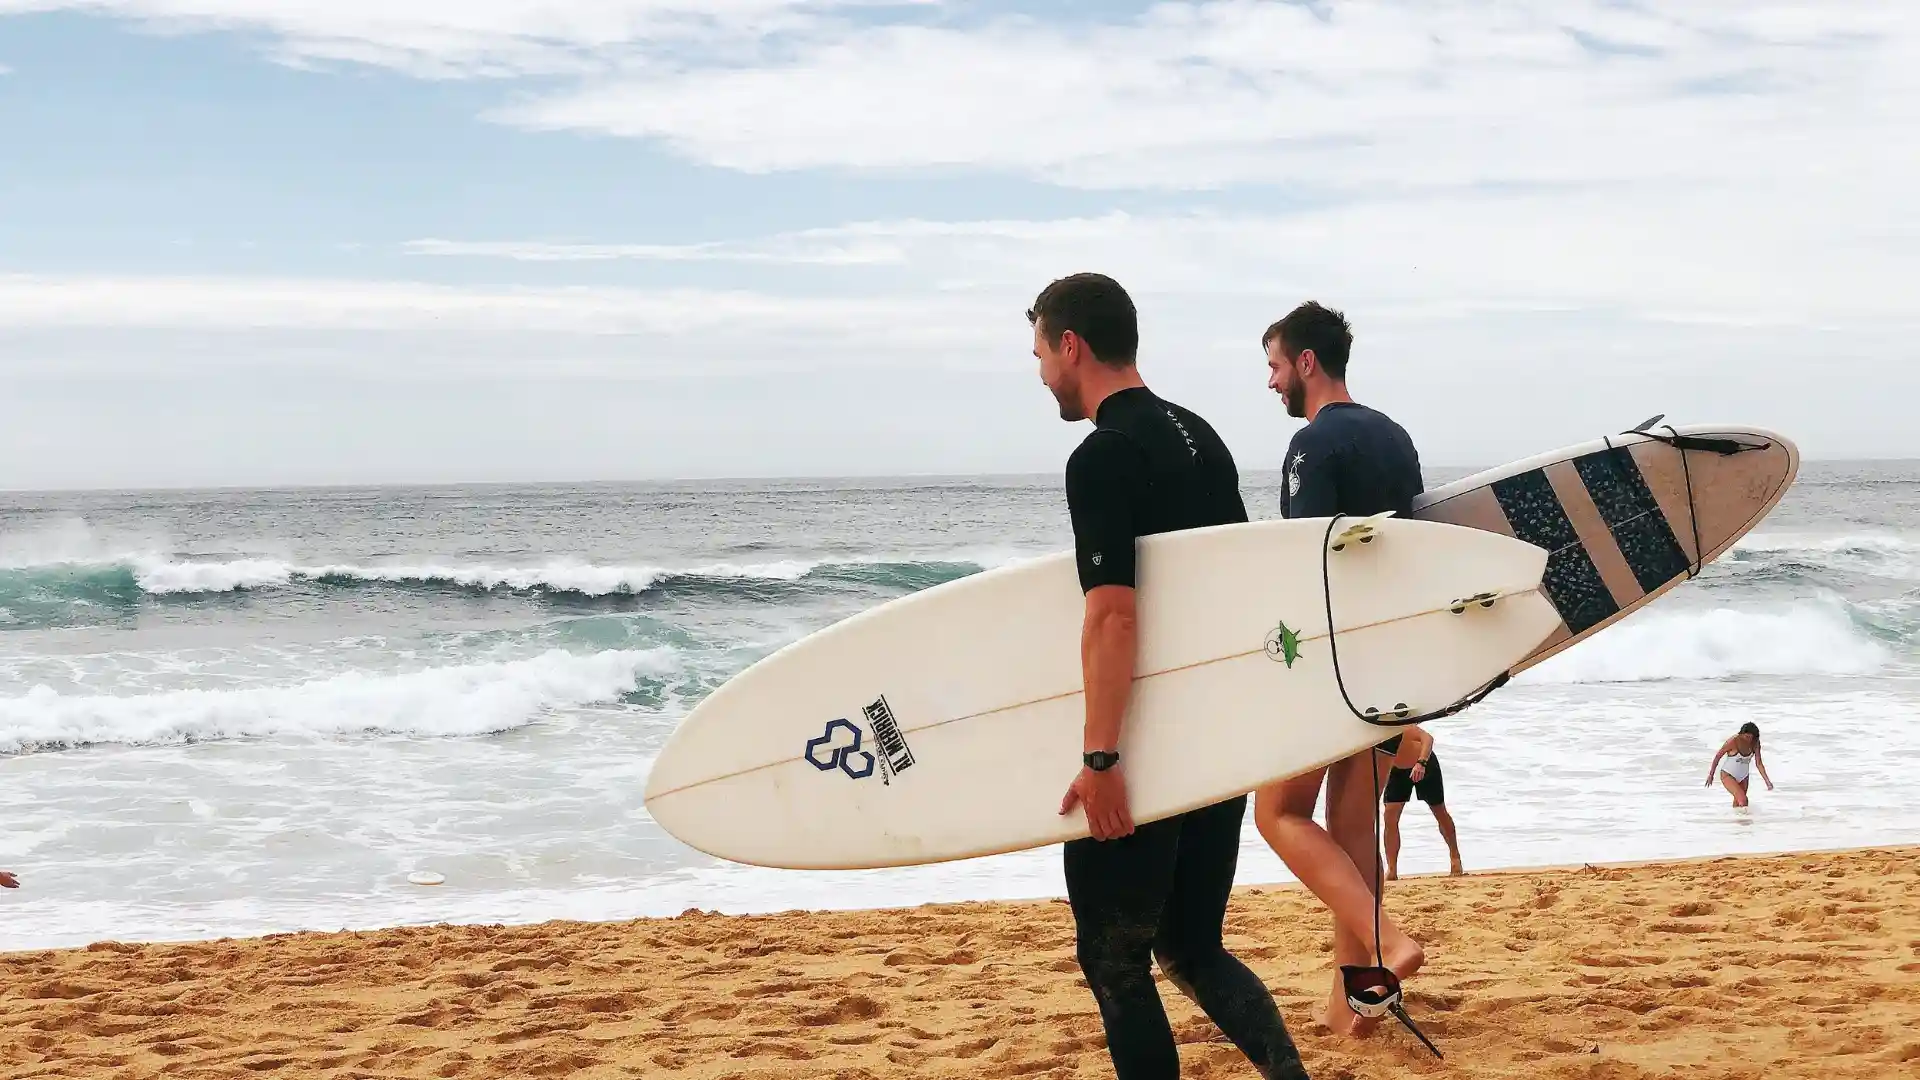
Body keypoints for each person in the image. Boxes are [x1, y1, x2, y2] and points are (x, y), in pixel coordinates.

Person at [1034, 272, 1310, 1080]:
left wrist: (1101, 761)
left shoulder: (1102, 457)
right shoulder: (1201, 435)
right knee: (1190, 945)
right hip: (1214, 741)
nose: (1042, 371)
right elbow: (1234, 593)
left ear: (1072, 345)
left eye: (1041, 352)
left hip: (1147, 750)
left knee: (1115, 963)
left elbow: (1114, 614)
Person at [1248, 300, 1428, 1038]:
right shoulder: (1395, 437)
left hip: (1332, 659)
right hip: (1387, 655)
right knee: (1352, 836)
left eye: (1274, 366)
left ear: (1306, 364)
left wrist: (1276, 662)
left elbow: (1306, 563)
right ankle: (1357, 1005)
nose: (1271, 383)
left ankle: (1388, 944)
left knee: (1278, 812)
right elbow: (1413, 551)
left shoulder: (1312, 445)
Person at [1379, 725, 1463, 880]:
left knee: (1439, 811)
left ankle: (1455, 856)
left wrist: (1421, 763)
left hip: (1424, 764)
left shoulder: (1400, 726)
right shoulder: (1370, 732)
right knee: (1389, 817)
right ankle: (1392, 869)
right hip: (1396, 771)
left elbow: (1428, 739)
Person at [1705, 721, 1773, 807]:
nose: (1748, 740)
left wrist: (1767, 781)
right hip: (1728, 775)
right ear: (1741, 734)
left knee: (1738, 803)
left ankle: (1737, 819)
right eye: (1746, 737)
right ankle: (1744, 818)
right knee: (1743, 800)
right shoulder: (1733, 741)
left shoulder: (1755, 743)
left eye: (1750, 737)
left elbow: (1759, 763)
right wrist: (1711, 775)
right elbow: (1718, 757)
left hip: (1744, 776)